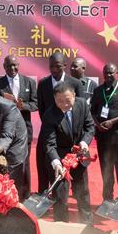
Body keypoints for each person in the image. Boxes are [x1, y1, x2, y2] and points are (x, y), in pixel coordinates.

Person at [41, 82, 94, 223]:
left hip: (80, 155)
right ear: (54, 99)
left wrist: (84, 142)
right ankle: (61, 226)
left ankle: (87, 224)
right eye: (60, 101)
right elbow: (49, 143)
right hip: (60, 157)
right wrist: (56, 162)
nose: (64, 104)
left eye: (68, 100)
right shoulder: (49, 115)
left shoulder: (82, 104)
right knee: (60, 196)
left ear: (75, 96)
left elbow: (90, 127)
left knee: (82, 193)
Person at [0, 55, 38, 198]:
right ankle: (6, 193)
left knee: (24, 163)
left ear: (19, 65)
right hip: (5, 131)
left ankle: (25, 195)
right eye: (9, 66)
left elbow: (35, 104)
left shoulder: (29, 82)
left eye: (15, 65)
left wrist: (22, 106)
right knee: (6, 164)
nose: (12, 68)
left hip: (24, 131)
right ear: (4, 67)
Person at [36, 54, 83, 193]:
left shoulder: (75, 83)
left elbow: (80, 109)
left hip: (70, 135)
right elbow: (42, 108)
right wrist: (51, 125)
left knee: (74, 172)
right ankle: (44, 192)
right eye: (51, 66)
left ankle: (71, 194)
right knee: (44, 161)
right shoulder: (43, 83)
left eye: (57, 66)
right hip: (50, 130)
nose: (54, 69)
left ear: (64, 66)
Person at [90, 63, 118, 207]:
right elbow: (92, 111)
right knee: (106, 170)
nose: (108, 75)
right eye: (106, 73)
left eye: (111, 73)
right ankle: (107, 199)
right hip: (103, 137)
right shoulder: (98, 90)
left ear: (117, 73)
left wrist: (112, 121)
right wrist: (97, 124)